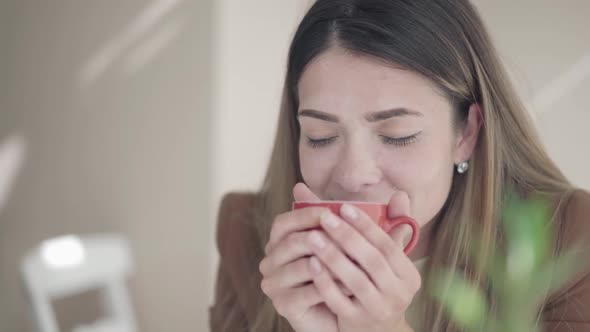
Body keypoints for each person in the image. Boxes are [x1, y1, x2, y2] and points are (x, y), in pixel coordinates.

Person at [209, 0, 590, 331]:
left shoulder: (570, 239)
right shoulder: (246, 234)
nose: (353, 176)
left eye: (397, 134)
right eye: (321, 135)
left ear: (467, 134)